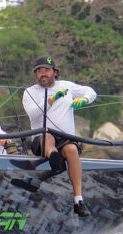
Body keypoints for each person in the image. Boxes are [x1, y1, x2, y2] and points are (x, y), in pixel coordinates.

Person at [22, 55, 97, 216]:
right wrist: (52, 99)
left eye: (47, 70)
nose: (43, 73)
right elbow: (33, 115)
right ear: (36, 75)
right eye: (39, 71)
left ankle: (78, 200)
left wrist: (84, 99)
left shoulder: (67, 86)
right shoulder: (30, 92)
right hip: (41, 139)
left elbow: (91, 92)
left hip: (65, 139)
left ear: (55, 72)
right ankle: (54, 158)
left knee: (72, 149)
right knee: (48, 135)